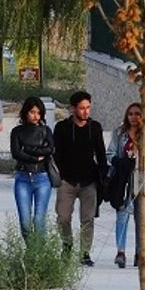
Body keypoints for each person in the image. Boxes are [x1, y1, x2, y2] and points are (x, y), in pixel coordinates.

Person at [52, 91, 106, 267]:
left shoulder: (95, 127)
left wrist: (103, 178)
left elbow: (101, 154)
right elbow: (56, 153)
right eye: (82, 108)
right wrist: (59, 173)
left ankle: (85, 252)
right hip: (67, 180)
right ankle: (66, 245)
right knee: (63, 217)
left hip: (89, 181)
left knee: (87, 219)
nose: (85, 112)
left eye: (88, 108)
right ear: (73, 109)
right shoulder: (62, 127)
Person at [109, 103, 145, 268]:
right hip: (123, 176)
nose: (134, 117)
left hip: (142, 176)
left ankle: (139, 252)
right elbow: (110, 152)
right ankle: (121, 251)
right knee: (122, 213)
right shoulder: (119, 133)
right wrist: (118, 162)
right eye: (131, 114)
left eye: (137, 114)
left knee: (141, 215)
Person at [10, 97, 55, 238]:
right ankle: (31, 251)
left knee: (39, 219)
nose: (35, 116)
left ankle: (40, 252)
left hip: (42, 178)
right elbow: (16, 153)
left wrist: (28, 149)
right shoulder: (17, 131)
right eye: (32, 112)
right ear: (25, 113)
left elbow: (50, 149)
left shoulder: (45, 130)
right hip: (23, 178)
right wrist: (35, 157)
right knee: (25, 221)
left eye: (38, 113)